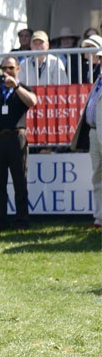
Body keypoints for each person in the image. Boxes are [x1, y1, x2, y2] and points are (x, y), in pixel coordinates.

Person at [0, 55, 38, 231]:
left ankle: (21, 221)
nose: (7, 72)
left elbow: (32, 101)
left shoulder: (22, 87)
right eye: (4, 69)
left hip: (16, 137)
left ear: (18, 69)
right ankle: (1, 221)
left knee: (20, 181)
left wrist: (16, 86)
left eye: (11, 68)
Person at [70, 45, 102, 229]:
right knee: (97, 176)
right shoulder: (98, 79)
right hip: (93, 131)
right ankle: (99, 218)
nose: (100, 61)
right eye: (100, 58)